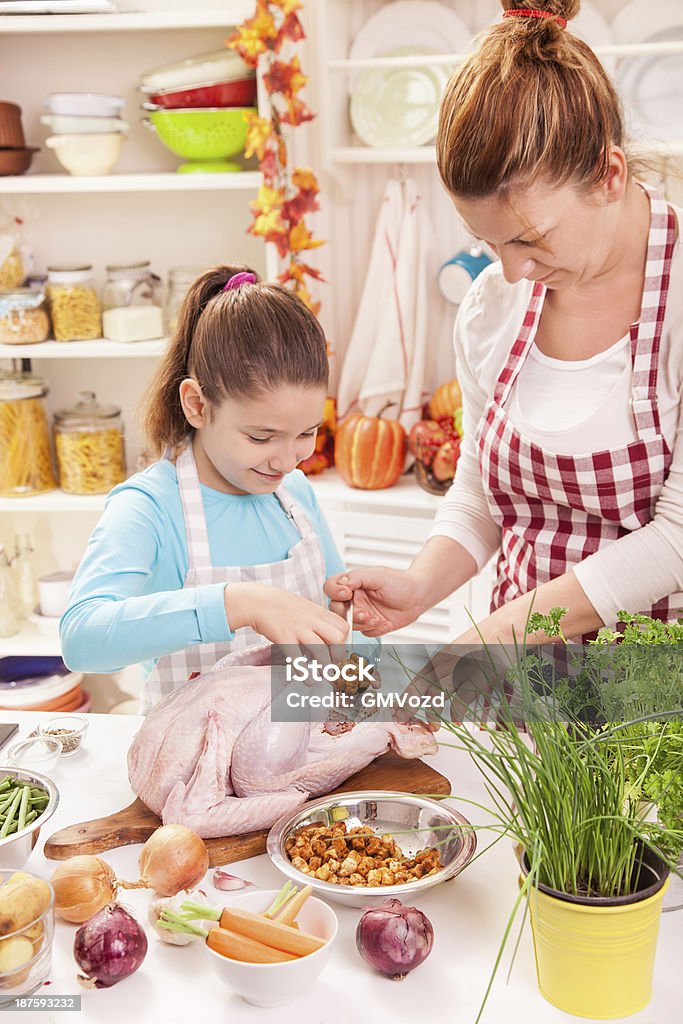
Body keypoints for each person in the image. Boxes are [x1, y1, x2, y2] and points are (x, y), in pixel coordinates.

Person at [326, 0, 683, 656]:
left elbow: (675, 540)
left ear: (608, 175)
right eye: (489, 244)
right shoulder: (491, 306)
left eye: (530, 240)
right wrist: (421, 584)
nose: (512, 273)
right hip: (523, 690)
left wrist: (492, 637)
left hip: (652, 706)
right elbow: (481, 488)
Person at [61, 265, 349, 713]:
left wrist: (366, 655)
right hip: (192, 770)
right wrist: (236, 603)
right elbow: (81, 638)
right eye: (260, 437)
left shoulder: (295, 494)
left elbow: (337, 626)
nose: (288, 459)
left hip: (302, 748)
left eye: (307, 433)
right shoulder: (150, 507)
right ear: (197, 404)